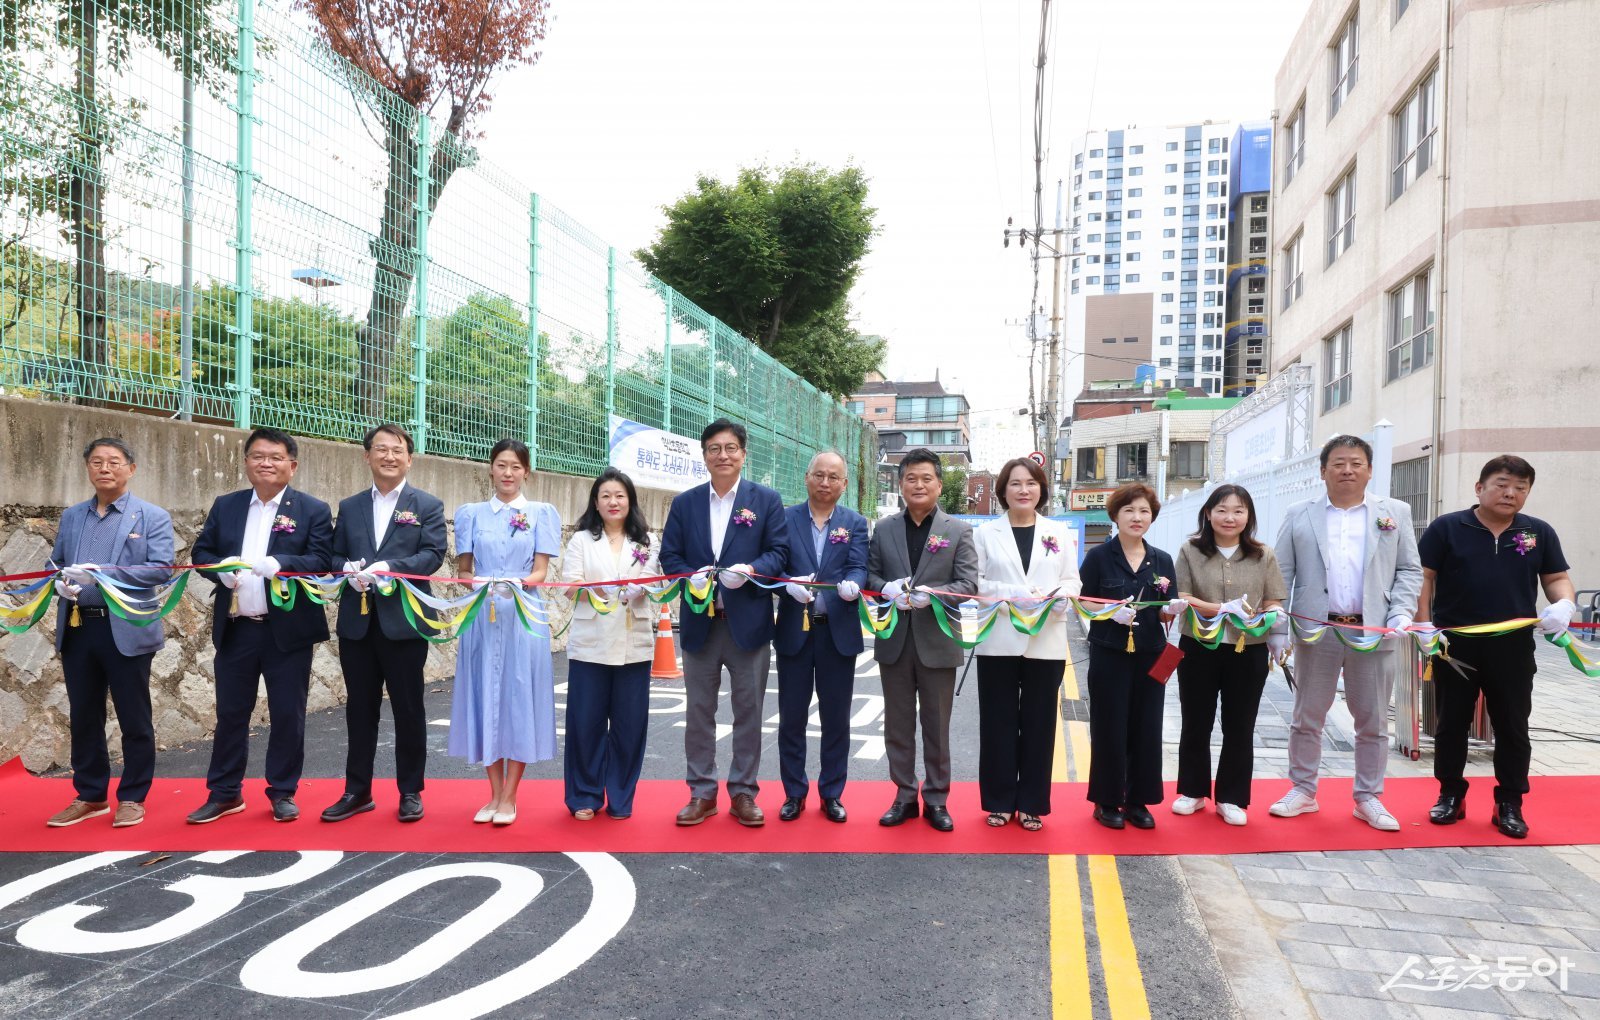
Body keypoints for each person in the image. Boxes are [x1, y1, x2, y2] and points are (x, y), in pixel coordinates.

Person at [1416, 455, 1577, 839]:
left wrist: (1564, 603)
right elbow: (1423, 577)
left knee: (1513, 725)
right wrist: (1423, 624)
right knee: (1451, 723)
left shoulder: (1538, 531)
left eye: (1521, 488)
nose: (1511, 493)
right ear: (1480, 487)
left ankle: (1509, 802)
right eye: (1502, 484)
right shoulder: (1447, 528)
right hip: (1455, 645)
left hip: (1512, 646)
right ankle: (1450, 794)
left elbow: (1556, 576)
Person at [1271, 435, 1421, 832]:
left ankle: (1368, 797)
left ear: (1370, 470)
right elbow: (1281, 573)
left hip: (1373, 630)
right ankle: (1302, 790)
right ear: (1323, 471)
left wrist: (1400, 612)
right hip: (1317, 629)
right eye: (1338, 463)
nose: (1347, 470)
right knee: (1307, 716)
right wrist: (1279, 626)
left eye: (1356, 463)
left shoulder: (1395, 513)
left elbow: (1409, 569)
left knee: (1371, 719)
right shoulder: (1300, 514)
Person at [188, 428, 334, 824]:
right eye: (257, 456)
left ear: (292, 465)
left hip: (286, 631)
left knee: (289, 713)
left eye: (275, 456)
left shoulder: (312, 509)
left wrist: (282, 564)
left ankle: (282, 791)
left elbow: (322, 559)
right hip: (237, 627)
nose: (265, 463)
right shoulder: (227, 505)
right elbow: (201, 551)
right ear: (247, 462)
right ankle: (224, 792)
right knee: (231, 713)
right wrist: (220, 573)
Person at [659, 418, 789, 827]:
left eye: (730, 448)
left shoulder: (765, 500)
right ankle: (701, 792)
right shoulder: (685, 504)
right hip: (700, 623)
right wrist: (688, 576)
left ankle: (744, 792)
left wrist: (750, 569)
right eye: (714, 448)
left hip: (747, 622)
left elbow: (779, 553)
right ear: (704, 455)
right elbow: (670, 556)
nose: (723, 455)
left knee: (748, 710)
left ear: (743, 454)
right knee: (699, 711)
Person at [44, 438, 175, 829]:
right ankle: (90, 794)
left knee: (134, 716)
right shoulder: (72, 516)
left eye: (114, 462)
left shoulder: (150, 516)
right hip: (79, 625)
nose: (105, 468)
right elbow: (59, 564)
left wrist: (101, 576)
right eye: (97, 462)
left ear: (130, 469)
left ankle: (133, 796)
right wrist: (61, 585)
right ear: (87, 468)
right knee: (84, 714)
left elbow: (161, 568)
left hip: (126, 626)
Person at [321, 423, 447, 825]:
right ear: (367, 455)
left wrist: (390, 567)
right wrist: (347, 569)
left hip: (404, 622)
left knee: (409, 708)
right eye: (381, 449)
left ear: (409, 458)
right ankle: (357, 791)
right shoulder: (351, 505)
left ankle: (410, 790)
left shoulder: (425, 504)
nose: (389, 456)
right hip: (357, 623)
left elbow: (432, 555)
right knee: (360, 709)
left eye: (397, 450)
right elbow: (333, 554)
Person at [866, 447, 979, 832]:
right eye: (910, 478)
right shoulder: (883, 529)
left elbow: (969, 584)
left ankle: (936, 799)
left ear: (939, 485)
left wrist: (934, 593)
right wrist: (888, 589)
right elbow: (870, 577)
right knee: (897, 725)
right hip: (895, 640)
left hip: (938, 641)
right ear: (900, 485)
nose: (918, 484)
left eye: (926, 478)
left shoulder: (958, 530)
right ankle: (903, 795)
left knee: (936, 725)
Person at [451, 438, 561, 826]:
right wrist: (477, 583)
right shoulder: (470, 514)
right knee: (485, 696)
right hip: (482, 616)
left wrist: (515, 582)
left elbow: (540, 572)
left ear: (526, 471)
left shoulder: (541, 513)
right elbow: (465, 570)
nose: (508, 473)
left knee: (518, 699)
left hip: (523, 616)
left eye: (515, 466)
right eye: (501, 465)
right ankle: (493, 793)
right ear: (491, 468)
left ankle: (511, 796)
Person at [972, 457, 1081, 831]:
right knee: (998, 723)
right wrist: (1019, 594)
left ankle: (1033, 802)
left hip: (1045, 641)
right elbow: (978, 584)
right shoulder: (986, 533)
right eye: (1015, 484)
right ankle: (1000, 801)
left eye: (1031, 484)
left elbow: (1072, 581)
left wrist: (1059, 595)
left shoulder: (1059, 532)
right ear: (1002, 491)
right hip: (998, 639)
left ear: (1041, 490)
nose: (1023, 490)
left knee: (1038, 724)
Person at [1170, 484, 1287, 827]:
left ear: (1248, 516)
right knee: (1196, 721)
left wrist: (1272, 616)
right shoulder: (1191, 550)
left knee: (1240, 725)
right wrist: (1220, 608)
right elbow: (1182, 595)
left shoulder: (1262, 554)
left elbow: (1275, 599)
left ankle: (1232, 797)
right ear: (1208, 513)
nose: (1229, 517)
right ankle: (1192, 791)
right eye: (1221, 510)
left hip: (1247, 649)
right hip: (1198, 647)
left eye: (1238, 511)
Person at [560, 467, 660, 821]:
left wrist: (643, 588)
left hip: (633, 643)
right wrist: (594, 589)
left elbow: (655, 582)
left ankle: (620, 795)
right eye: (605, 496)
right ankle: (584, 795)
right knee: (585, 723)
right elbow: (569, 585)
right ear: (596, 502)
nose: (613, 502)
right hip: (591, 643)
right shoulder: (581, 540)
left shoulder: (646, 542)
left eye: (619, 495)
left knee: (629, 725)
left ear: (630, 500)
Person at [774, 450, 869, 823]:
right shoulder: (784, 519)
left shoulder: (855, 522)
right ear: (807, 477)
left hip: (837, 633)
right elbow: (774, 566)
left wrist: (853, 587)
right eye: (819, 475)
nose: (825, 482)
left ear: (844, 484)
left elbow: (859, 565)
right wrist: (787, 588)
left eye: (834, 477)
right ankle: (794, 792)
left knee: (836, 718)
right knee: (791, 717)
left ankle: (832, 793)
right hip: (795, 632)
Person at [1079, 483, 1180, 830]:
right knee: (1110, 726)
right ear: (1116, 515)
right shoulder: (1099, 557)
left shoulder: (1163, 560)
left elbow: (1166, 611)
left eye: (1144, 512)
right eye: (1129, 511)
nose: (1137, 518)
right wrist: (1109, 614)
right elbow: (1085, 601)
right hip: (1110, 653)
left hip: (1150, 653)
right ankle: (1107, 801)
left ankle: (1138, 801)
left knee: (1146, 726)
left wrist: (1172, 609)